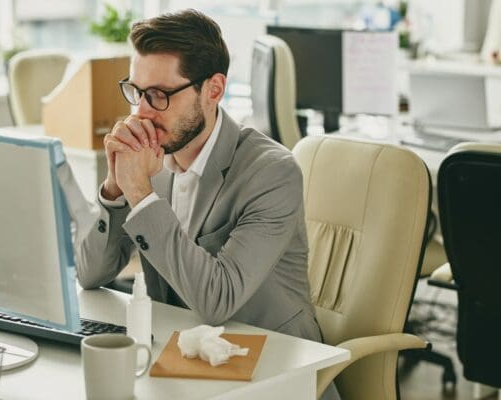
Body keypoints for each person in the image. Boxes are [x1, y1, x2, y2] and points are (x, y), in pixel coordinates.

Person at [76, 12, 338, 398]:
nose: (142, 112)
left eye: (160, 95)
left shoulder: (272, 173)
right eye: (137, 91)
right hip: (184, 364)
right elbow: (89, 274)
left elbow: (217, 301)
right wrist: (115, 190)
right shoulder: (156, 159)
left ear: (213, 90)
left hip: (273, 373)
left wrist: (141, 195)